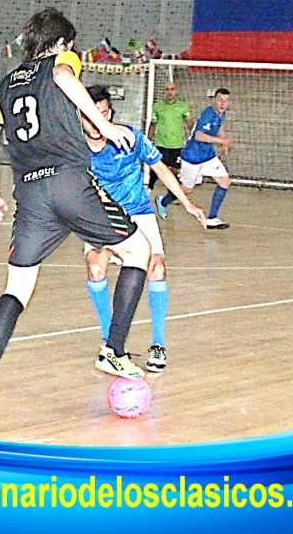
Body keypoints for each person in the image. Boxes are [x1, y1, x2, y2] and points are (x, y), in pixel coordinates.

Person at [0, 8, 152, 422]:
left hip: (29, 193)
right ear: (62, 42)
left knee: (16, 290)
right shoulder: (62, 61)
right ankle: (114, 350)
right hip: (70, 183)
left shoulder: (4, 85)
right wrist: (105, 122)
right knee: (140, 251)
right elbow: (65, 79)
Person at [83, 85, 205, 372]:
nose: (97, 122)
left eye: (103, 114)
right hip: (101, 216)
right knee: (96, 268)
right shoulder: (74, 148)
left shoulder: (129, 138)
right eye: (91, 116)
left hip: (139, 213)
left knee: (157, 268)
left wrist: (187, 203)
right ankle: (109, 341)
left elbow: (161, 168)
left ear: (109, 113)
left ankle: (158, 343)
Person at [155, 88, 233, 230]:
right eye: (220, 100)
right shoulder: (208, 114)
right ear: (214, 100)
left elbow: (219, 126)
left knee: (225, 181)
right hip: (192, 158)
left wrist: (224, 142)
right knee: (186, 190)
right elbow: (199, 136)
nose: (222, 103)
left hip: (208, 156)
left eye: (226, 101)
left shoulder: (221, 114)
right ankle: (163, 201)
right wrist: (221, 142)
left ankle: (212, 218)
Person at [146, 81, 194, 193]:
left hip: (176, 144)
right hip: (161, 143)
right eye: (167, 89)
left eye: (172, 89)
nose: (169, 92)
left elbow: (190, 123)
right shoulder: (158, 107)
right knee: (157, 167)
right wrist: (148, 140)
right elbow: (153, 124)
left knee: (175, 169)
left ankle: (173, 192)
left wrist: (195, 137)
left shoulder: (183, 107)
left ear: (176, 91)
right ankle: (149, 188)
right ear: (164, 91)